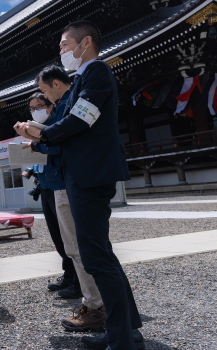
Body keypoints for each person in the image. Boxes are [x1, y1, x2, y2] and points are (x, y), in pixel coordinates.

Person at [19, 21, 143, 350]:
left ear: (85, 42)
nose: (61, 52)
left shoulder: (97, 72)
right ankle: (126, 331)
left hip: (90, 175)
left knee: (96, 256)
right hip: (82, 173)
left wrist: (41, 134)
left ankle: (122, 339)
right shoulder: (81, 80)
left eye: (63, 45)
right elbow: (68, 127)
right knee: (100, 254)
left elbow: (79, 121)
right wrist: (38, 137)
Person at [21, 67, 108, 333]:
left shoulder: (80, 94)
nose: (42, 101)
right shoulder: (70, 101)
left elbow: (61, 139)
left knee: (81, 248)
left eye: (44, 94)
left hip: (70, 181)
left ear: (56, 84)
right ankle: (97, 304)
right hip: (61, 181)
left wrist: (35, 139)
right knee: (78, 247)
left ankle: (96, 306)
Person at [18, 92, 80, 300]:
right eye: (32, 108)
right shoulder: (35, 128)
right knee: (57, 236)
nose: (36, 111)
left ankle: (77, 281)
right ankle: (69, 275)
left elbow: (57, 148)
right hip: (45, 186)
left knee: (69, 235)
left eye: (39, 106)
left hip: (59, 185)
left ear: (50, 106)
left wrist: (35, 144)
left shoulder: (55, 125)